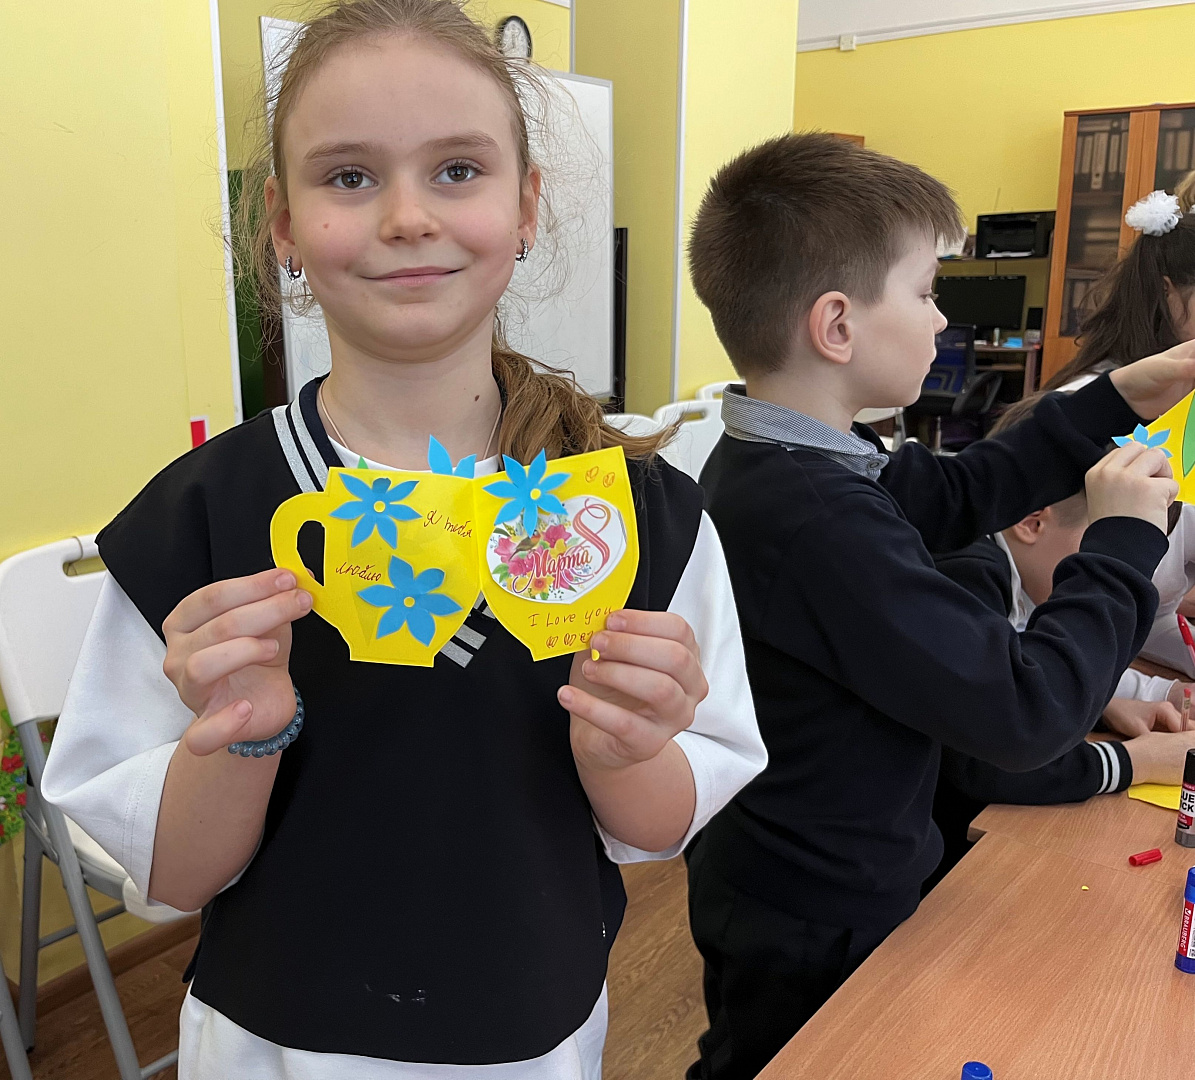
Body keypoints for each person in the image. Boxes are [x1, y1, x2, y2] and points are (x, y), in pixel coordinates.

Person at [40, 3, 765, 1077]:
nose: (409, 217)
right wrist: (242, 734)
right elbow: (173, 875)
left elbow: (660, 827)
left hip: (532, 1040)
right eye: (349, 177)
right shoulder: (201, 523)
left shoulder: (636, 517)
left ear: (526, 206)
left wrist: (624, 750)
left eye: (457, 171)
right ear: (283, 225)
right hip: (271, 1046)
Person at [682, 131, 1195, 1080]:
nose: (942, 317)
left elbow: (961, 491)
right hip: (813, 899)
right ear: (836, 327)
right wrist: (1124, 539)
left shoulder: (797, 459)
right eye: (924, 292)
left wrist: (1121, 395)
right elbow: (1022, 710)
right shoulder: (814, 514)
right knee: (785, 1060)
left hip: (802, 868)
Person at [926, 486, 1195, 892]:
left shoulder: (997, 563)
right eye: (1099, 548)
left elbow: (1011, 677)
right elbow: (986, 761)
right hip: (922, 864)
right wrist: (1136, 761)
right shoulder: (966, 576)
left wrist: (1108, 707)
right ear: (1032, 522)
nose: (1096, 577)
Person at [1026, 175, 1195, 676]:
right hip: (1058, 667)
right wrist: (1134, 694)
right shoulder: (1089, 415)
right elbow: (1029, 608)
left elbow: (1158, 605)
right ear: (1168, 292)